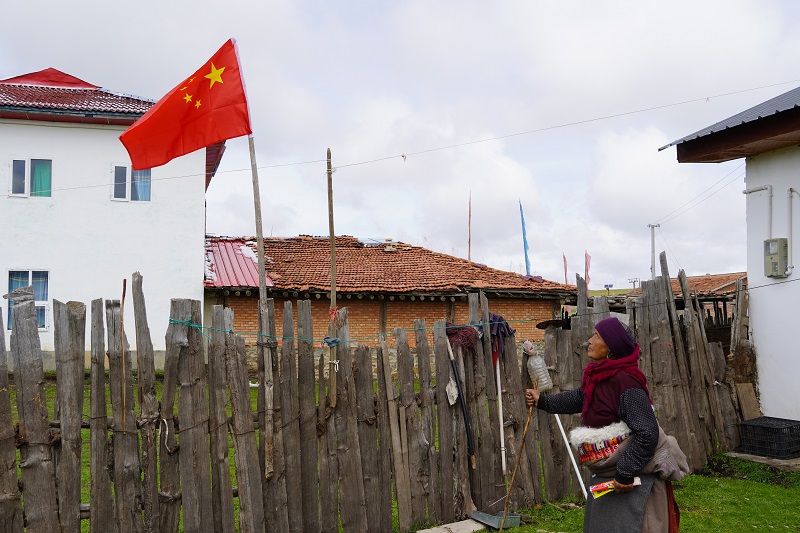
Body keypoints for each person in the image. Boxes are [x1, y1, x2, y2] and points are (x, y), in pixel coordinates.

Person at [526, 316, 688, 533]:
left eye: (597, 336)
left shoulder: (626, 381)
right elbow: (582, 398)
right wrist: (543, 401)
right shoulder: (603, 376)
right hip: (610, 474)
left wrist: (624, 472)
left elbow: (647, 432)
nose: (589, 341)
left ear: (611, 347)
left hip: (631, 480)